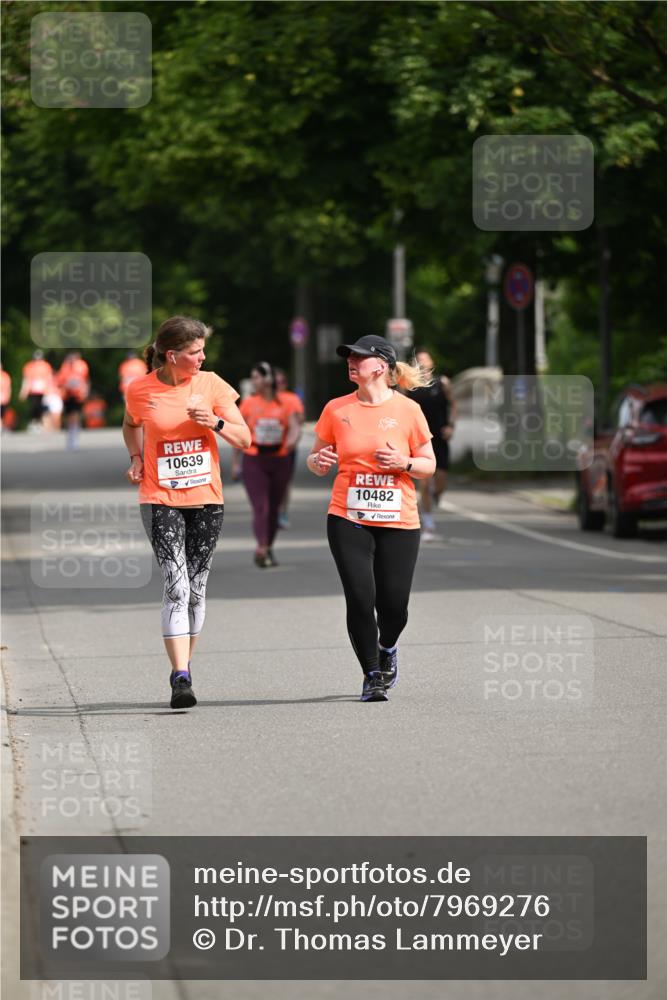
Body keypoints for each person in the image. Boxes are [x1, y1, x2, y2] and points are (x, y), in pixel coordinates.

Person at [123, 315, 251, 709]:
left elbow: (244, 439)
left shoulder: (211, 384)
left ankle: (186, 664)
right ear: (171, 354)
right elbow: (131, 424)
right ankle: (180, 676)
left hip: (207, 499)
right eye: (194, 353)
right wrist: (136, 455)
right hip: (160, 498)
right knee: (176, 585)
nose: (202, 357)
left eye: (202, 351)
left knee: (196, 588)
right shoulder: (141, 389)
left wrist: (213, 421)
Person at [308, 334, 436, 702]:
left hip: (399, 521)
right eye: (348, 356)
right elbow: (316, 459)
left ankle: (388, 647)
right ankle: (371, 675)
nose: (350, 361)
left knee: (394, 607)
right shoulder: (336, 409)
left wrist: (405, 463)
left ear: (381, 365)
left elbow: (429, 465)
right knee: (360, 598)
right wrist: (318, 463)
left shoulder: (408, 411)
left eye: (359, 357)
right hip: (348, 517)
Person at [232, 362, 301, 567]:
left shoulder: (288, 401)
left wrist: (292, 441)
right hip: (254, 460)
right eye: (252, 377)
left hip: (279, 459)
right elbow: (239, 433)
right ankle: (261, 546)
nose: (254, 381)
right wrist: (236, 463)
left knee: (274, 508)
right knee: (261, 506)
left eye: (257, 377)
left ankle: (268, 546)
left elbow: (295, 425)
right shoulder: (248, 403)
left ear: (268, 379)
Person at [407, 348, 457, 541]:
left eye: (425, 360)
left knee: (441, 480)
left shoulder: (442, 383)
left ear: (431, 363)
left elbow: (453, 404)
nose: (421, 363)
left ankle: (434, 497)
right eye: (418, 360)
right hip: (419, 440)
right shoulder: (410, 386)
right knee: (424, 482)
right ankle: (428, 522)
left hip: (439, 437)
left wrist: (451, 426)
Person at [275, 367, 305, 529]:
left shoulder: (291, 398)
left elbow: (300, 419)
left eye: (282, 382)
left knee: (284, 482)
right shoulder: (261, 398)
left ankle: (282, 512)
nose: (279, 385)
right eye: (276, 382)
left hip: (286, 447)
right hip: (265, 448)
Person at [55, 350, 90, 450]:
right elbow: (59, 381)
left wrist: (85, 390)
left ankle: (75, 435)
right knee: (68, 415)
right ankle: (70, 434)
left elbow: (86, 379)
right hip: (67, 395)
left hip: (78, 395)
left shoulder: (82, 366)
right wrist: (65, 385)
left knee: (76, 414)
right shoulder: (64, 367)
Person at [19, 350, 53, 430]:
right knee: (34, 406)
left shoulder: (46, 366)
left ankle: (39, 422)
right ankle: (34, 421)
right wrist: (23, 391)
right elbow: (26, 380)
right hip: (33, 390)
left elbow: (49, 378)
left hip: (43, 390)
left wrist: (49, 390)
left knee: (41, 407)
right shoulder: (29, 366)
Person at [1, 364, 11, 429]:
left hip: (3, 398)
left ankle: (1, 426)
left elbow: (8, 387)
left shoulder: (5, 376)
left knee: (2, 413)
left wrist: (8, 396)